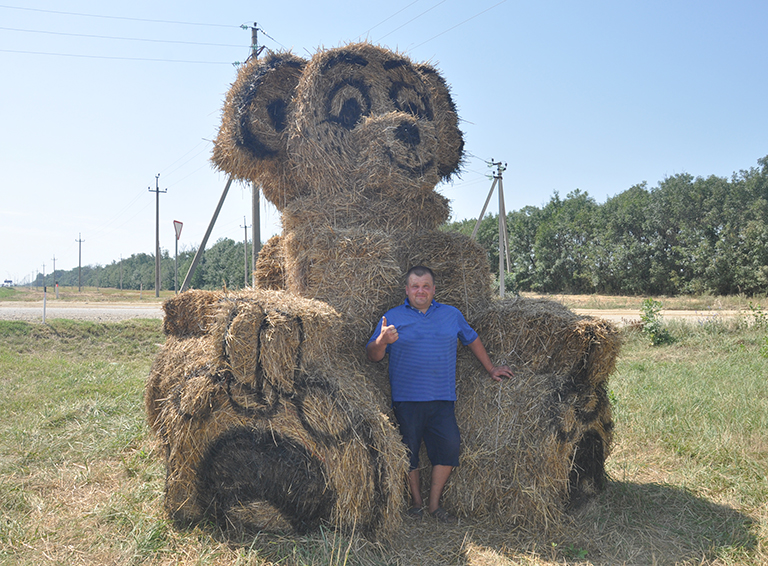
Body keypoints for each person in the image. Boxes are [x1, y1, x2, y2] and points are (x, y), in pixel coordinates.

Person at [366, 265, 513, 523]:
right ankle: (417, 504)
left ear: (434, 289)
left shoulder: (451, 315)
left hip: (442, 397)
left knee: (449, 447)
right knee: (408, 451)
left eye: (425, 286)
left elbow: (472, 339)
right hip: (406, 399)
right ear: (407, 290)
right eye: (415, 286)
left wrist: (491, 368)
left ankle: (435, 506)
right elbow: (373, 356)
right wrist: (382, 341)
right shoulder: (392, 317)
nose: (420, 291)